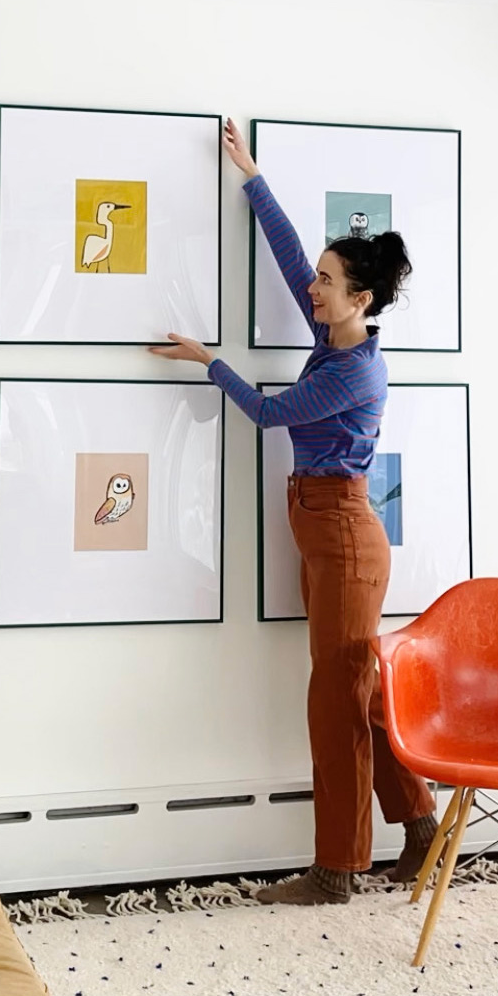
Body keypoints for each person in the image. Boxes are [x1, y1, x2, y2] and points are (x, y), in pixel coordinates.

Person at [149, 118, 438, 906]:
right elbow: (284, 258)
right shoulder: (329, 332)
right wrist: (250, 175)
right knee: (355, 688)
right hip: (322, 526)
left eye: (325, 280)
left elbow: (270, 415)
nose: (310, 288)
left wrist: (210, 361)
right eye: (316, 278)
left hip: (343, 532)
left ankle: (337, 869)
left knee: (332, 698)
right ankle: (418, 824)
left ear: (361, 298)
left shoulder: (354, 373)